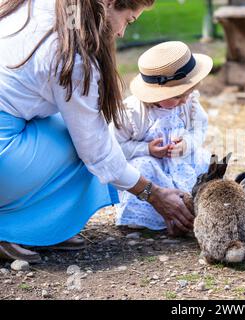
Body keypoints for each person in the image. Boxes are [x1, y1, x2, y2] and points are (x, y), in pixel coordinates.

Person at [0, 0, 194, 264]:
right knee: (83, 146)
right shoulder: (73, 55)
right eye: (129, 20)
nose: (122, 33)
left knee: (73, 127)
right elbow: (96, 150)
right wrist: (154, 194)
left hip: (11, 125)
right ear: (110, 3)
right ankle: (15, 228)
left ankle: (44, 227)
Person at [113, 41, 212, 230]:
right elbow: (114, 146)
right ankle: (144, 218)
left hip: (181, 162)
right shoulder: (132, 112)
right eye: (176, 96)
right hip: (152, 167)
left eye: (188, 93)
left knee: (204, 159)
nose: (183, 100)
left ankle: (193, 209)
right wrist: (146, 149)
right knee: (141, 167)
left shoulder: (189, 104)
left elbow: (199, 128)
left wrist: (187, 143)